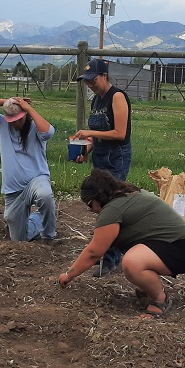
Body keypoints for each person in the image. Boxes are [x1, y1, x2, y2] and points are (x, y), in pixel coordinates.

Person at [58, 168, 185, 319]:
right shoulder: (128, 194)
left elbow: (94, 252)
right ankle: (146, 288)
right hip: (181, 244)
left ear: (96, 200)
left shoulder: (113, 209)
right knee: (134, 257)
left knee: (132, 263)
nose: (91, 210)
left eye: (89, 205)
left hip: (181, 249)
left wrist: (69, 274)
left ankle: (160, 299)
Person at [74, 58, 132, 275]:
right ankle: (107, 255)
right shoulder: (96, 100)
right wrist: (84, 151)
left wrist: (90, 133)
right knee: (103, 206)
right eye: (87, 81)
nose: (90, 84)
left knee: (113, 208)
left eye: (93, 80)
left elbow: (120, 133)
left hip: (116, 158)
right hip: (100, 157)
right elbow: (97, 138)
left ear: (104, 76)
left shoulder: (117, 97)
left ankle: (111, 259)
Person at [0, 96, 57, 243]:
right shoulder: (1, 124)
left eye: (20, 119)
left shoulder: (35, 128)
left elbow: (48, 133)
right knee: (19, 239)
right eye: (12, 120)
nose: (17, 123)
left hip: (36, 181)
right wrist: (8, 100)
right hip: (13, 191)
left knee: (45, 195)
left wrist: (28, 108)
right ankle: (39, 219)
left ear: (25, 115)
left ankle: (48, 236)